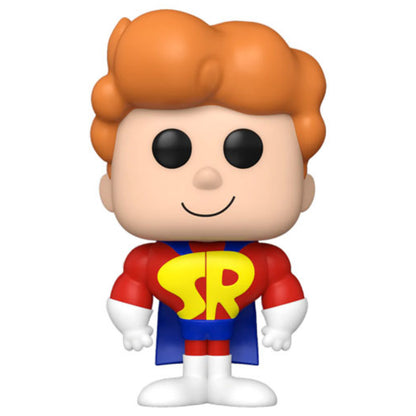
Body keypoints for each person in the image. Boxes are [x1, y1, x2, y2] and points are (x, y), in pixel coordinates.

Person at [91, 9, 326, 407]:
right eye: (171, 150)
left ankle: (220, 380)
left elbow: (283, 288)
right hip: (184, 328)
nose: (206, 177)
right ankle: (192, 380)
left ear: (304, 191)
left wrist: (282, 324)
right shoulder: (146, 261)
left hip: (226, 328)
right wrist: (131, 325)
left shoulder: (267, 261)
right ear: (109, 190)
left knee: (217, 349)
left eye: (243, 151)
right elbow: (130, 289)